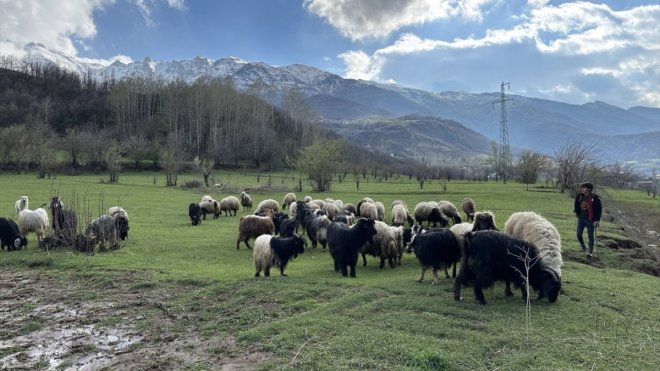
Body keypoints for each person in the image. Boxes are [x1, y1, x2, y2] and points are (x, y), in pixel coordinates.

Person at [573, 182, 602, 257]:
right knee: (578, 234)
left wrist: (597, 220)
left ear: (589, 189)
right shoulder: (579, 196)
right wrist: (576, 212)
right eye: (582, 187)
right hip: (581, 219)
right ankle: (583, 247)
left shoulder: (594, 198)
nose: (582, 189)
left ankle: (590, 252)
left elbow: (599, 210)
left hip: (590, 220)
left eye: (584, 188)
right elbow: (576, 205)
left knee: (590, 236)